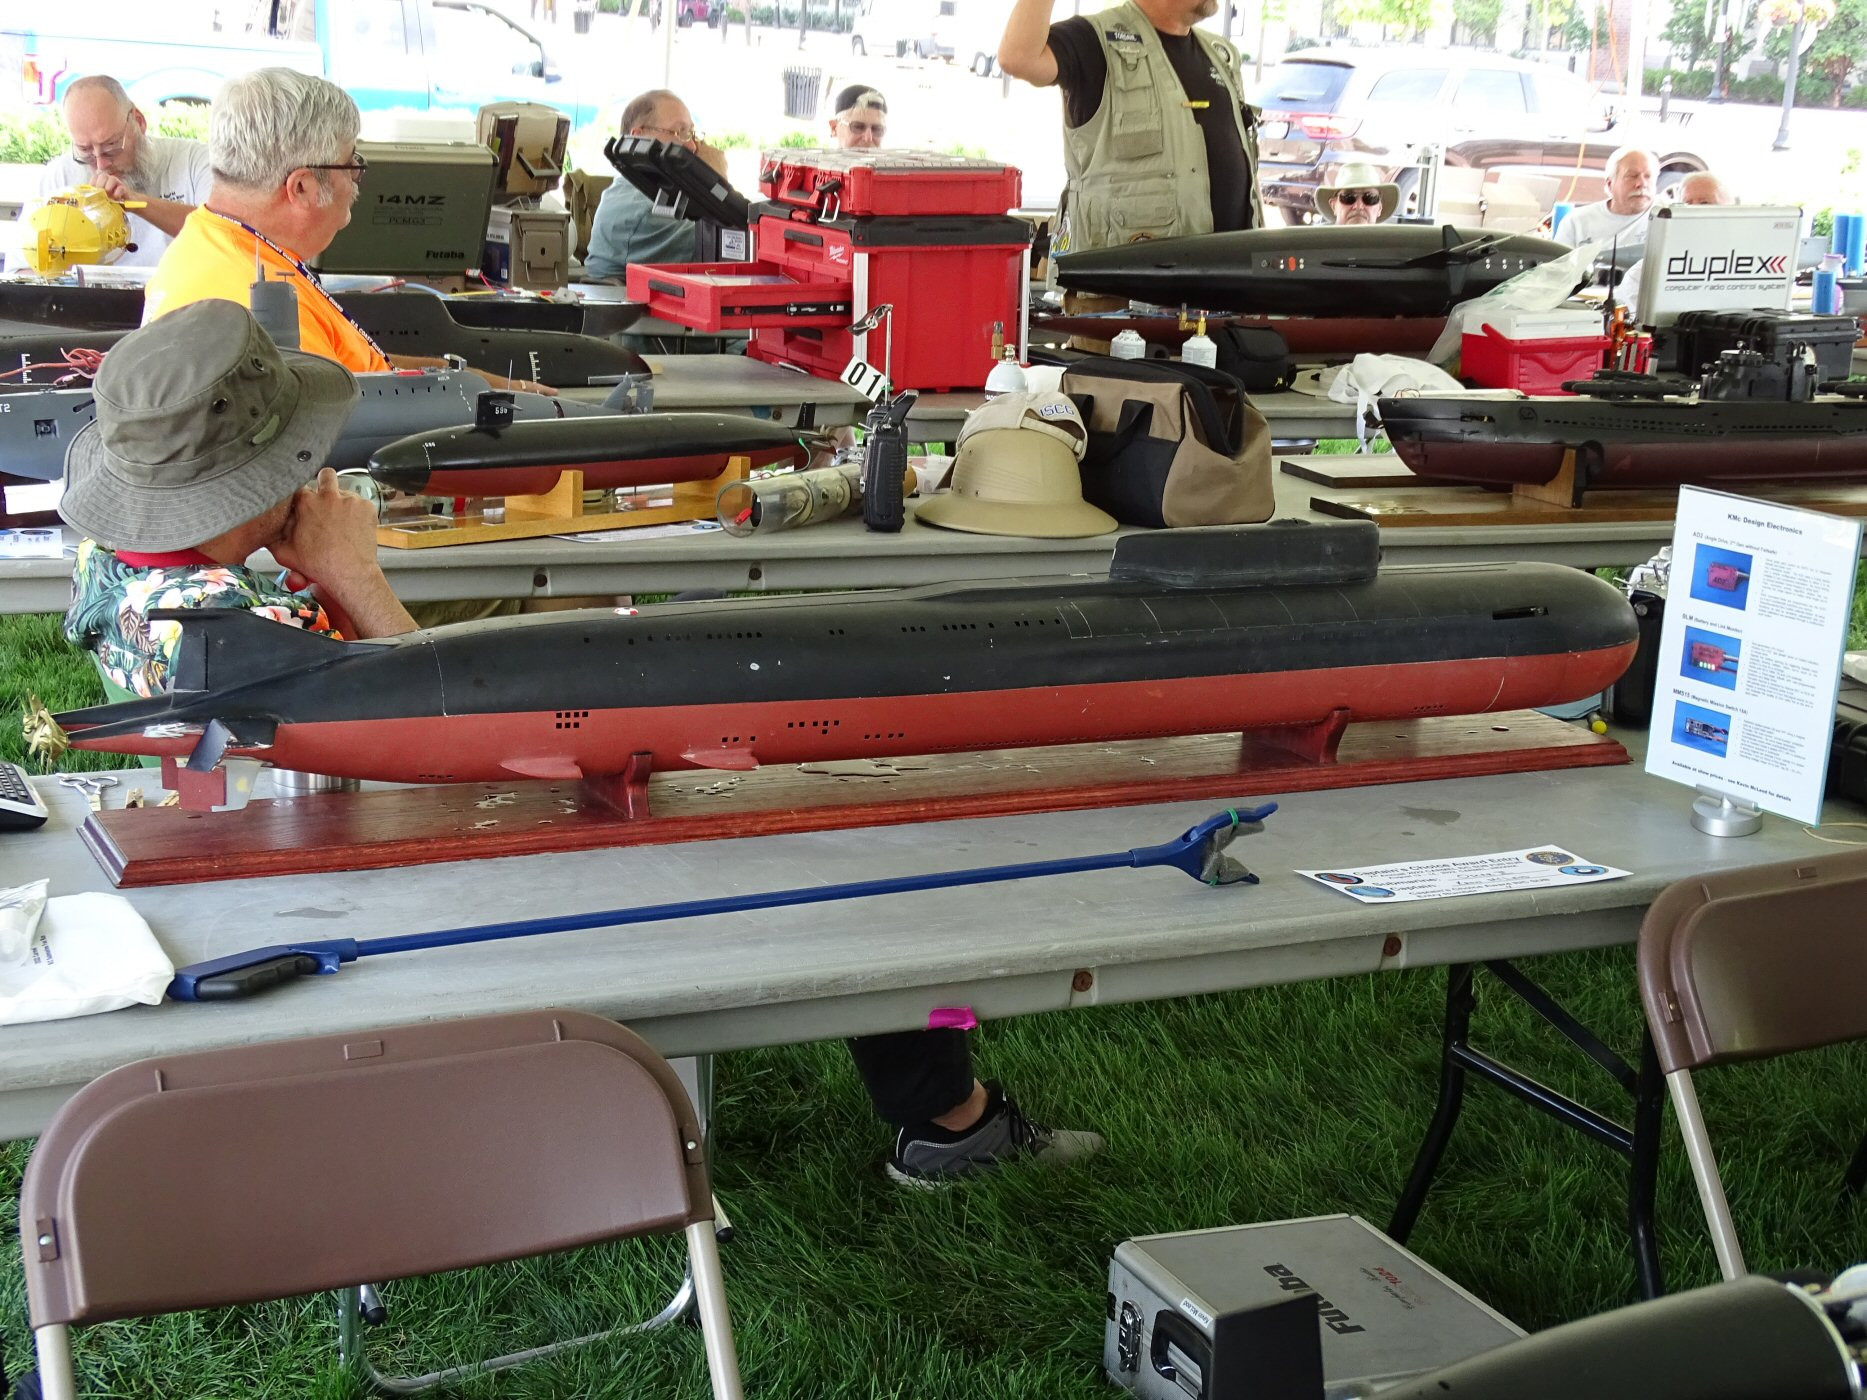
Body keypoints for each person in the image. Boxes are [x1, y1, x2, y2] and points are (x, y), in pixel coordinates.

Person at [61, 299, 415, 700]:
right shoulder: (254, 632)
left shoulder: (101, 563)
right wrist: (358, 576)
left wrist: (323, 590)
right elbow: (438, 713)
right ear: (264, 471)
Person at [142, 69, 547, 394]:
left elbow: (356, 369)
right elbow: (341, 418)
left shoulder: (214, 241)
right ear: (302, 187)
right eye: (351, 161)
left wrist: (469, 377)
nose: (357, 176)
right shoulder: (254, 299)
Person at [998, 0, 1262, 253]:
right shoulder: (1093, 39)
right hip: (1124, 281)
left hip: (1228, 277)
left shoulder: (1220, 53)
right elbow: (1018, 58)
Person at [37, 75, 212, 268]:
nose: (101, 165)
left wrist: (136, 202)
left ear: (139, 121)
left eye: (111, 146)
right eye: (85, 151)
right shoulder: (60, 176)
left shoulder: (195, 161)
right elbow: (23, 268)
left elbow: (222, 232)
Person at [582, 90, 731, 281]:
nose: (693, 146)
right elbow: (728, 248)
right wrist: (717, 179)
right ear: (638, 138)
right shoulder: (643, 205)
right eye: (679, 132)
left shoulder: (634, 188)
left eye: (691, 134)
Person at [1618, 171, 1736, 312]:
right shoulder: (1643, 276)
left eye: (1705, 202)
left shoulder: (1751, 263)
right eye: (1687, 203)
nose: (1694, 210)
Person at [1553, 145, 1658, 250]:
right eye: (1632, 176)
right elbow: (1558, 260)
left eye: (1648, 176)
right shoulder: (1576, 222)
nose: (1642, 183)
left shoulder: (1665, 217)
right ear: (1610, 184)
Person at [1315, 162, 1399, 226]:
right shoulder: (1315, 241)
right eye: (1348, 197)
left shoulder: (1391, 242)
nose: (1359, 206)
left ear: (1379, 208)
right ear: (1334, 206)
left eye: (1370, 198)